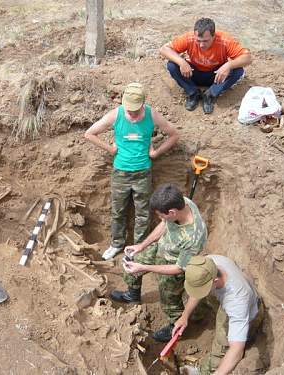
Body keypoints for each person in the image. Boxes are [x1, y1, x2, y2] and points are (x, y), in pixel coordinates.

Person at [85, 83, 179, 260]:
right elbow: (89, 133)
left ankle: (138, 248)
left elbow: (174, 134)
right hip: (121, 172)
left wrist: (156, 152)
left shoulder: (151, 115)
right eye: (129, 110)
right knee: (118, 211)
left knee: (143, 212)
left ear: (143, 103)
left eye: (135, 110)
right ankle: (116, 244)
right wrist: (110, 149)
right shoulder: (116, 114)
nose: (132, 114)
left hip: (143, 172)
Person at [110, 183, 207, 342]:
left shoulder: (193, 237)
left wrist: (144, 268)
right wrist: (141, 246)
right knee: (135, 259)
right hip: (163, 247)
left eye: (162, 215)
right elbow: (164, 225)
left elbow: (179, 268)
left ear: (172, 212)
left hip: (173, 264)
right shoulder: (182, 202)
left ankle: (176, 327)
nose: (160, 219)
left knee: (169, 301)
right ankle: (132, 296)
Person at [173, 255, 264, 375]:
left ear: (214, 281)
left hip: (248, 312)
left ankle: (204, 371)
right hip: (231, 299)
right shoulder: (209, 263)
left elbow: (237, 350)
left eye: (203, 288)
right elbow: (197, 289)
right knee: (195, 297)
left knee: (221, 349)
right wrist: (185, 316)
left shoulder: (236, 301)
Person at [160, 18, 251, 114]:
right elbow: (164, 49)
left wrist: (228, 65)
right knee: (172, 65)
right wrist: (181, 62)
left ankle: (210, 94)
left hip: (216, 76)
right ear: (195, 35)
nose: (201, 45)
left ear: (214, 36)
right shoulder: (189, 38)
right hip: (193, 73)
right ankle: (193, 92)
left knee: (238, 70)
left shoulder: (224, 40)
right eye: (198, 41)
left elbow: (247, 57)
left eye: (206, 41)